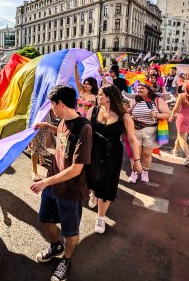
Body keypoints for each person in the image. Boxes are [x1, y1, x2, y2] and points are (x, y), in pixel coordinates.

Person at [31, 85, 92, 281]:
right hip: (53, 185)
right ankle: (56, 246)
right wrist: (46, 126)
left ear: (61, 103)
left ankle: (66, 259)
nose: (51, 109)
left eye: (52, 104)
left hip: (70, 190)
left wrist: (44, 182)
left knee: (70, 231)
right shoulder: (63, 121)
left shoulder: (84, 128)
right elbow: (62, 135)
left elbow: (76, 169)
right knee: (46, 220)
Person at [86, 85, 141, 233]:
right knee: (92, 180)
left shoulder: (125, 117)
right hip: (93, 152)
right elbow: (85, 132)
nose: (97, 97)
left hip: (112, 154)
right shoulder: (92, 111)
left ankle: (100, 217)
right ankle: (92, 193)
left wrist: (137, 161)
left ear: (109, 97)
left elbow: (132, 139)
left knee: (107, 184)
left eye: (100, 94)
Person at [128, 80, 170, 183]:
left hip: (151, 131)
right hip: (136, 130)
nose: (139, 89)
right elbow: (128, 113)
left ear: (149, 90)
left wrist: (156, 115)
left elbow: (167, 114)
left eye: (142, 88)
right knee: (135, 154)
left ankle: (145, 172)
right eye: (138, 88)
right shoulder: (135, 100)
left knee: (147, 154)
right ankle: (134, 172)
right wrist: (127, 111)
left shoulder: (157, 100)